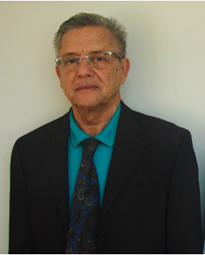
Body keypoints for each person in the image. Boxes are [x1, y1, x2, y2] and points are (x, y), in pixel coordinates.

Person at [9, 12, 203, 254]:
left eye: (98, 58)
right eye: (71, 60)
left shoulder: (170, 146)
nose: (83, 71)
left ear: (122, 70)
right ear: (59, 74)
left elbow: (187, 247)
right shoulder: (28, 151)